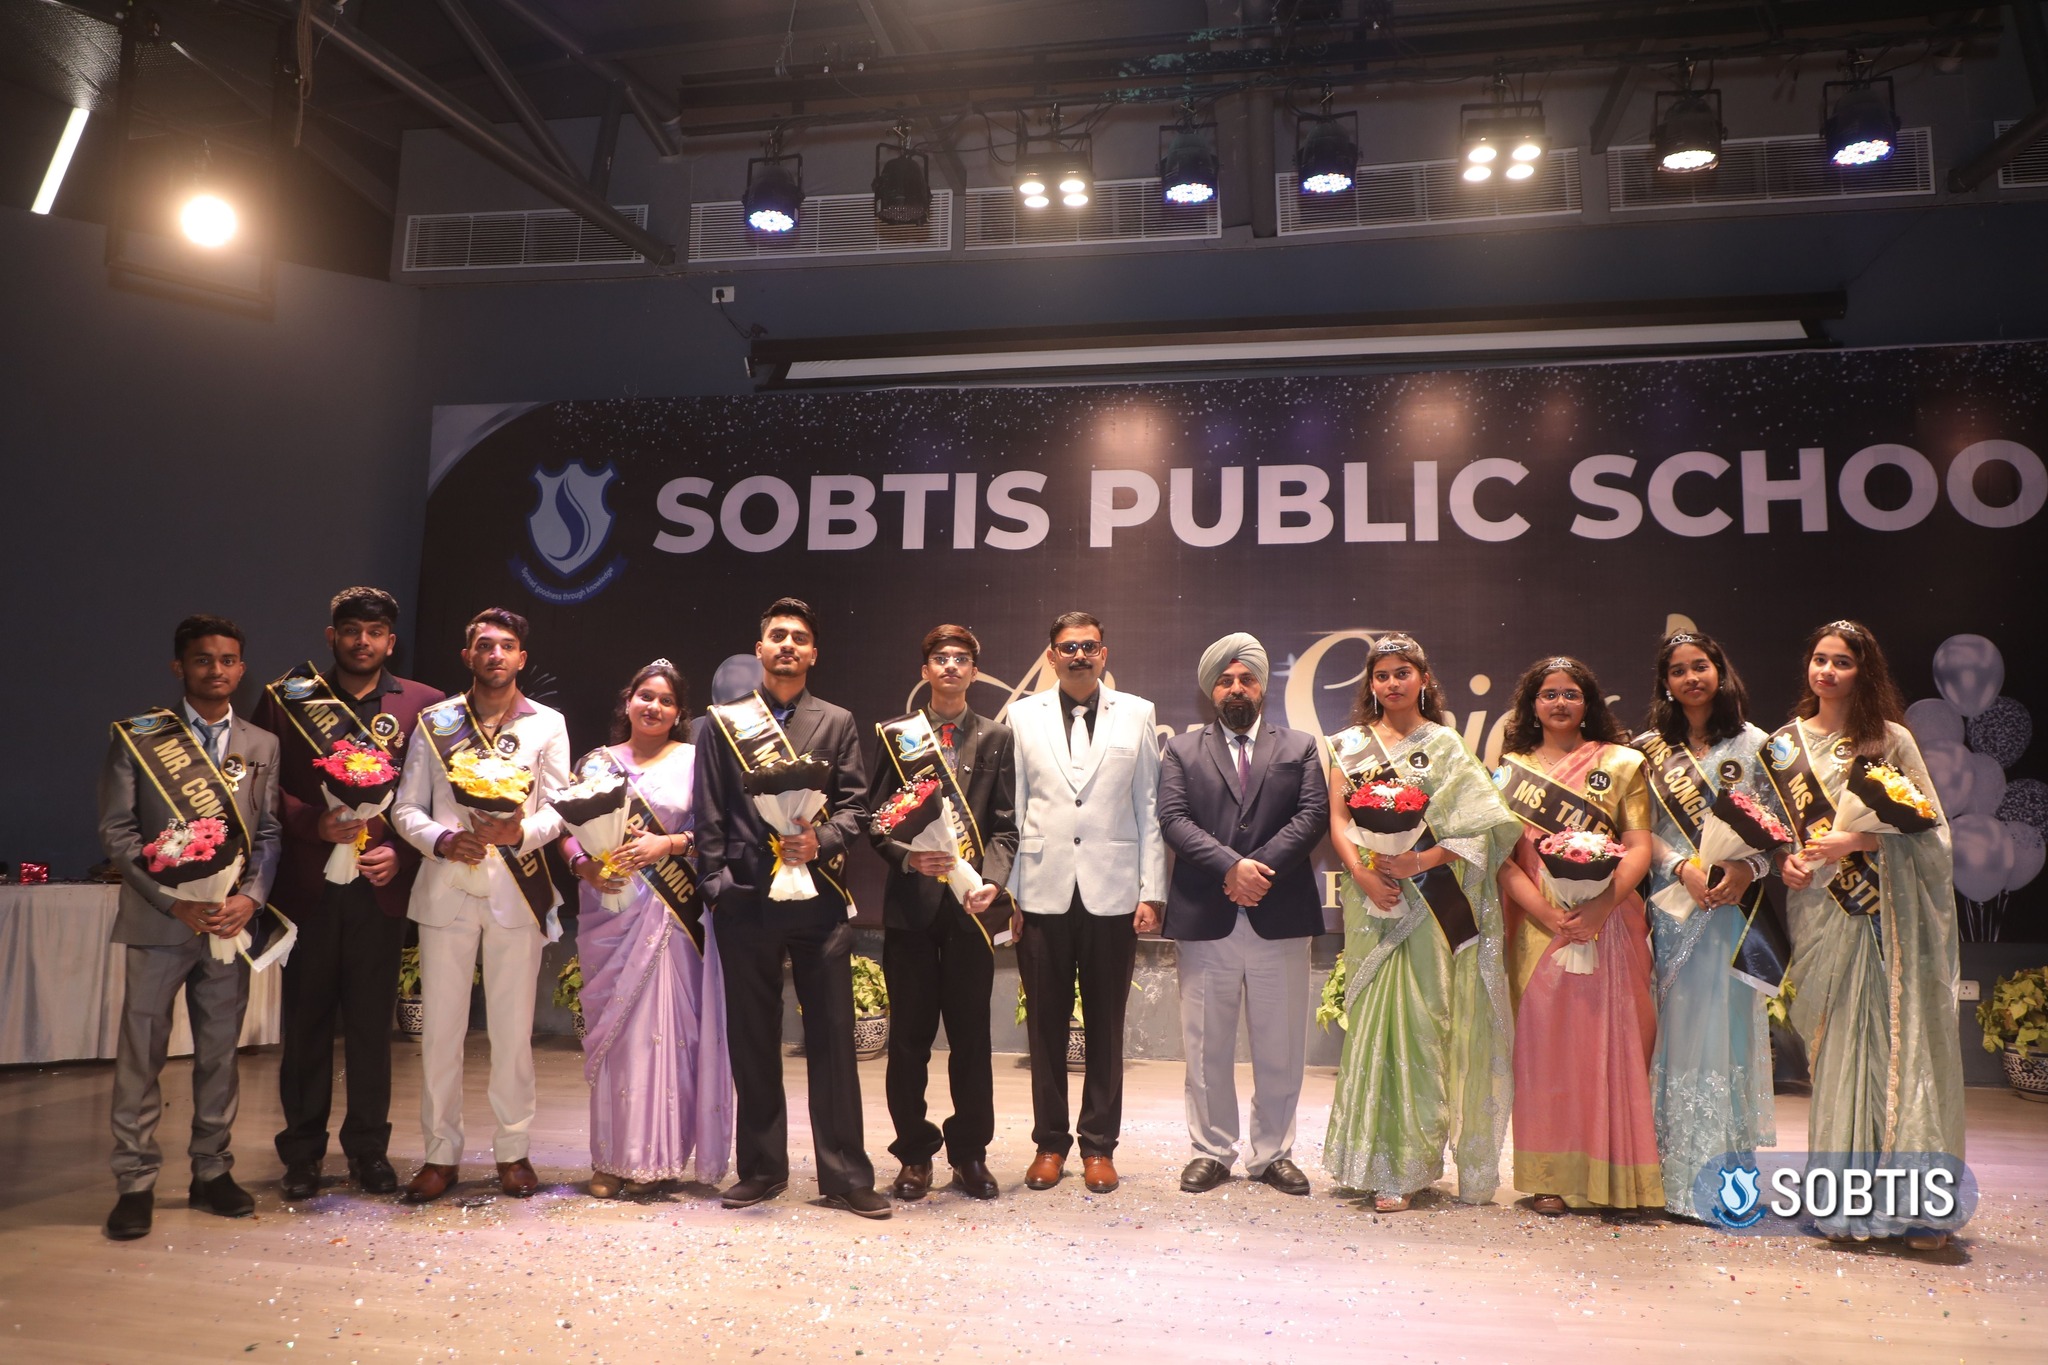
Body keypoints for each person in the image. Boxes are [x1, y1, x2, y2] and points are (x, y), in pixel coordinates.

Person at [1767, 620, 1963, 1250]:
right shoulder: (1782, 747)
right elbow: (1776, 835)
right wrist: (1786, 863)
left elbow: (1933, 836)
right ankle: (1843, 1202)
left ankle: (1915, 1208)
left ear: (1864, 671)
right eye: (1820, 659)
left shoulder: (1889, 740)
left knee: (1895, 1051)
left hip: (1883, 921)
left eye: (1842, 662)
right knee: (1836, 1057)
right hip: (1819, 914)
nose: (1827, 671)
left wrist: (1856, 840)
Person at [694, 598, 890, 1219]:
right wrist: (716, 886)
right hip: (745, 900)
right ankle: (760, 1169)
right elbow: (709, 812)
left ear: (813, 654)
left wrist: (820, 840)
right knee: (752, 1040)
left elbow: (857, 808)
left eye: (799, 638)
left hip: (818, 902)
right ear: (759, 649)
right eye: (777, 635)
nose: (787, 645)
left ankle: (845, 1175)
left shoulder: (837, 721)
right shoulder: (723, 724)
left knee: (833, 1040)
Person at [97, 614, 281, 1240]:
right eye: (203, 660)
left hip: (227, 925)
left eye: (228, 660)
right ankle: (134, 1182)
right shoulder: (141, 737)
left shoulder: (261, 743)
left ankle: (211, 1171)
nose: (216, 670)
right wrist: (171, 901)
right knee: (141, 1056)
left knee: (220, 1055)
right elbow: (118, 832)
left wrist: (251, 898)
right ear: (180, 667)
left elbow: (269, 833)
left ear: (241, 668)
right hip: (159, 923)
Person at [256, 587, 444, 1201]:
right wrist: (314, 823)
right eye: (351, 630)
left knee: (370, 1029)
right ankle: (302, 1153)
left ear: (391, 641)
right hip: (308, 890)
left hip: (379, 890)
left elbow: (436, 799)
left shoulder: (425, 704)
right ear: (331, 635)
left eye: (375, 631)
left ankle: (369, 1151)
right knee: (306, 1027)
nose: (363, 641)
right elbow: (261, 790)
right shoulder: (286, 698)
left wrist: (403, 852)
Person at [1322, 634, 1520, 1211]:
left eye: (1402, 673)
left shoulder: (1446, 746)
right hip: (1373, 899)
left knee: (1424, 1026)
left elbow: (1481, 829)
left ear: (1423, 679)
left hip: (1431, 903)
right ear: (1371, 684)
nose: (1392, 683)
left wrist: (1420, 861)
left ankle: (1408, 1168)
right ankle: (1365, 1160)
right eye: (1382, 675)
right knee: (1371, 1024)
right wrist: (1362, 873)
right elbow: (1337, 820)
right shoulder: (1348, 746)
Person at [390, 608, 569, 1203]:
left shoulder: (548, 724)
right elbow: (405, 807)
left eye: (507, 646)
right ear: (467, 655)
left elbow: (561, 806)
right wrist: (442, 839)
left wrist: (521, 833)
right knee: (439, 1032)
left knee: (513, 1033)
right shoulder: (436, 721)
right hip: (446, 887)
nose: (496, 654)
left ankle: (513, 1151)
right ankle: (439, 1154)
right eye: (485, 645)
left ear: (522, 658)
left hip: (516, 892)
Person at [1157, 633, 1328, 1197]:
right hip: (1206, 915)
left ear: (1262, 686)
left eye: (1246, 679)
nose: (1236, 688)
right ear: (1211, 689)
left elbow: (1312, 816)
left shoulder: (1300, 746)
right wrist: (1231, 868)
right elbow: (1173, 819)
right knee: (1205, 1045)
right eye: (1225, 681)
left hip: (1280, 915)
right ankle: (1211, 1151)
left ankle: (1273, 1153)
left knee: (1281, 1044)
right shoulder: (1181, 750)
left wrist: (1256, 871)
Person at [1007, 611, 1167, 1194]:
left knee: (1105, 1027)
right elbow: (1013, 807)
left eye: (1089, 646)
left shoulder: (1138, 713)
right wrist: (1010, 895)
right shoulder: (1022, 716)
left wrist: (1152, 890)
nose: (1079, 655)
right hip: (1040, 890)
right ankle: (1049, 1144)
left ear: (1104, 653)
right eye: (1068, 647)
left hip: (1114, 892)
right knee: (1045, 1028)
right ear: (1051, 656)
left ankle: (1100, 1146)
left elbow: (1149, 806)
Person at [1495, 656, 1661, 1217]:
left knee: (1611, 1042)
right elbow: (1504, 861)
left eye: (1571, 693)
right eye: (1549, 694)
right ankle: (1548, 1176)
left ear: (1588, 703)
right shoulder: (1509, 772)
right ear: (1532, 705)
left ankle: (1616, 1177)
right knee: (1544, 1049)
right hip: (1539, 927)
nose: (1560, 703)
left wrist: (1600, 906)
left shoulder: (1622, 763)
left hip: (1609, 922)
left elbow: (1639, 846)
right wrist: (1548, 914)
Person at [562, 660, 733, 1198]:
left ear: (679, 713)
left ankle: (659, 1157)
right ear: (628, 700)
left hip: (674, 915)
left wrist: (670, 844)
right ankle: (612, 1158)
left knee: (671, 1035)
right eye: (645, 696)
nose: (653, 707)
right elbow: (566, 828)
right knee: (619, 1038)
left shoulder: (695, 761)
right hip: (610, 908)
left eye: (666, 701)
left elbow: (719, 831)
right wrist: (582, 865)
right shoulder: (597, 762)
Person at [1631, 630, 1777, 1219]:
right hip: (1672, 905)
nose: (1691, 678)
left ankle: (1723, 1180)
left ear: (1720, 671)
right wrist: (1678, 867)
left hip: (1730, 909)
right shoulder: (1647, 752)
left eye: (1700, 666)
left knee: (1726, 1027)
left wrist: (1746, 869)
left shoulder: (1758, 745)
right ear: (1665, 683)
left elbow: (1781, 832)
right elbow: (1638, 831)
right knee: (1674, 1025)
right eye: (1678, 670)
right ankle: (1666, 1174)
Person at [868, 626, 1017, 1202]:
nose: (950, 666)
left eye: (961, 659)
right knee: (908, 1042)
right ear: (925, 670)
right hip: (911, 910)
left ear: (974, 671)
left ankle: (970, 1154)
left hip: (969, 911)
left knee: (972, 1041)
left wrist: (994, 883)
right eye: (939, 658)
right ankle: (913, 1154)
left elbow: (1005, 826)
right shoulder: (898, 737)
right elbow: (876, 820)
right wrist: (907, 858)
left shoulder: (997, 737)